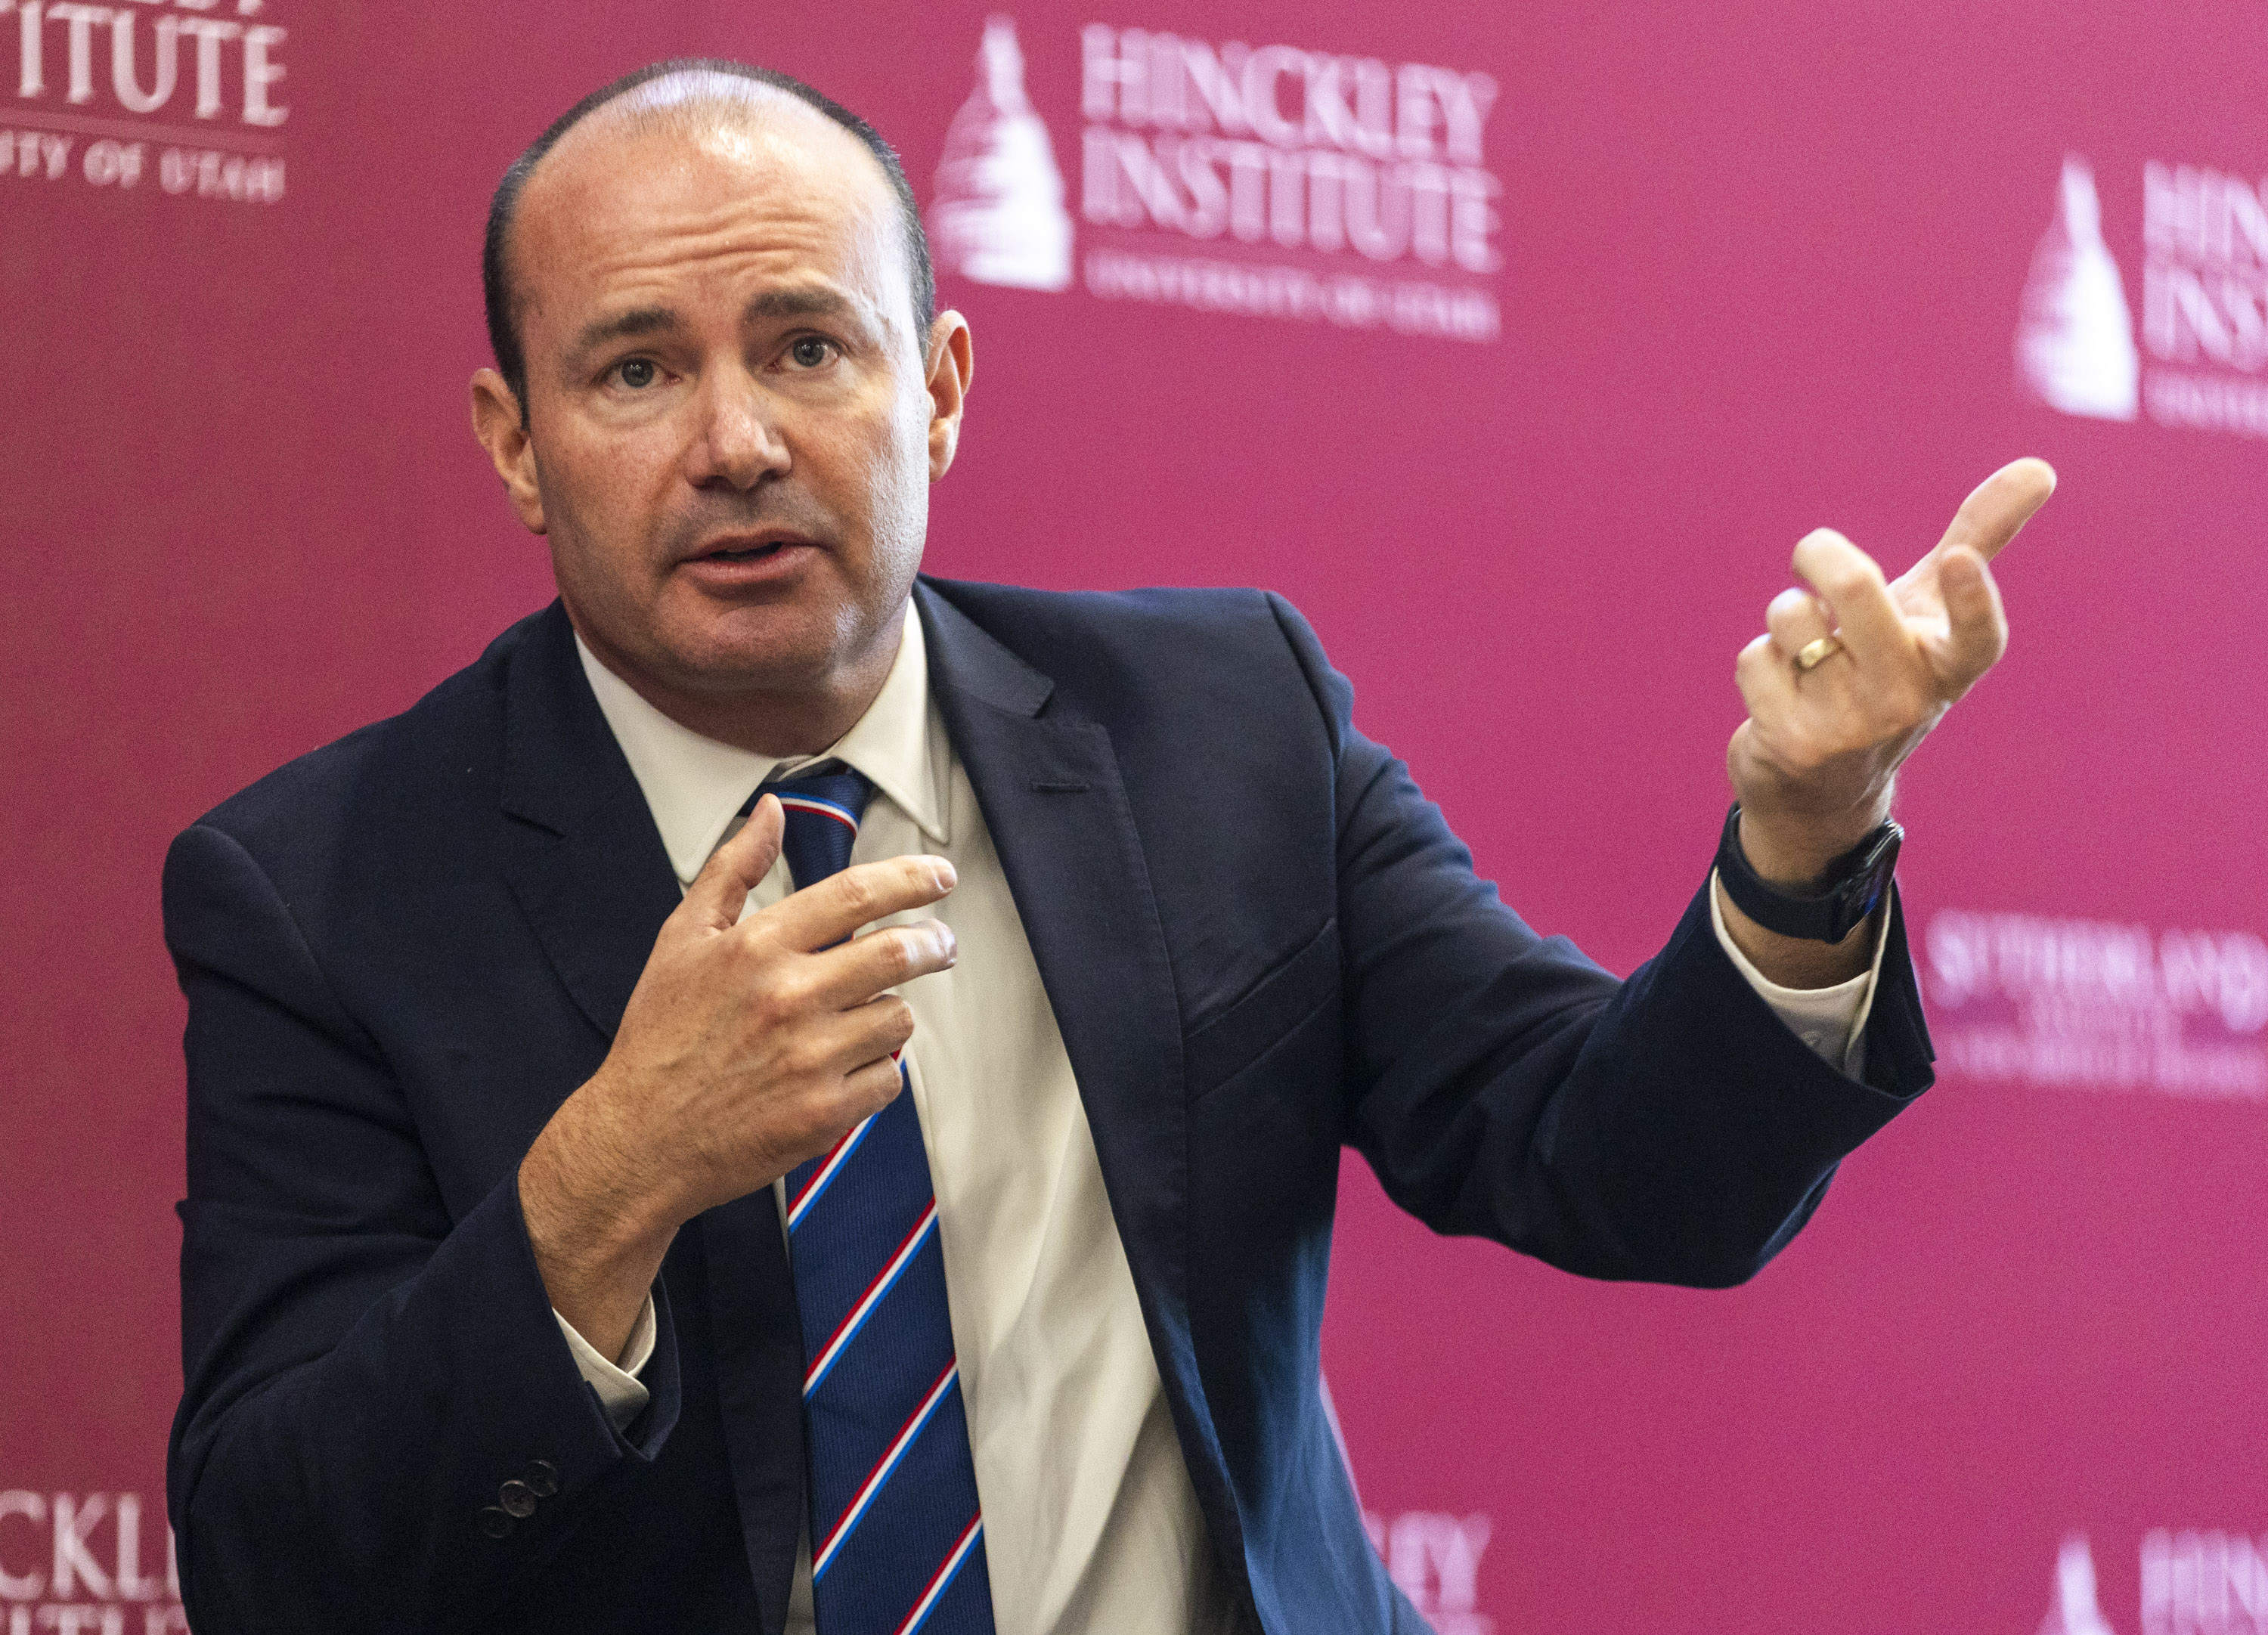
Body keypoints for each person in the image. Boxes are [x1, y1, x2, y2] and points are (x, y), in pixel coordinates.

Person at [160, 57, 2053, 1635]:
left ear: (943, 388)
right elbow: (276, 1553)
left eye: (809, 344)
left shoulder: (1224, 726)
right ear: (514, 442)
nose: (733, 440)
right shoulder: (320, 890)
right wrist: (605, 1180)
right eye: (637, 371)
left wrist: (1807, 845)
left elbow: (1618, 1162)